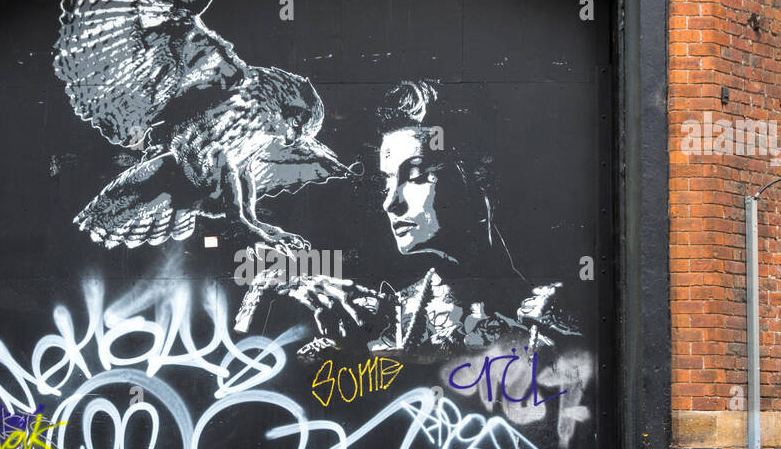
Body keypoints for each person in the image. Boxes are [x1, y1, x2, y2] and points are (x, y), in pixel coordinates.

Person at [239, 80, 578, 359]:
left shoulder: (552, 318)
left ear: (476, 185)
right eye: (387, 180)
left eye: (415, 176)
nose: (390, 202)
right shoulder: (382, 316)